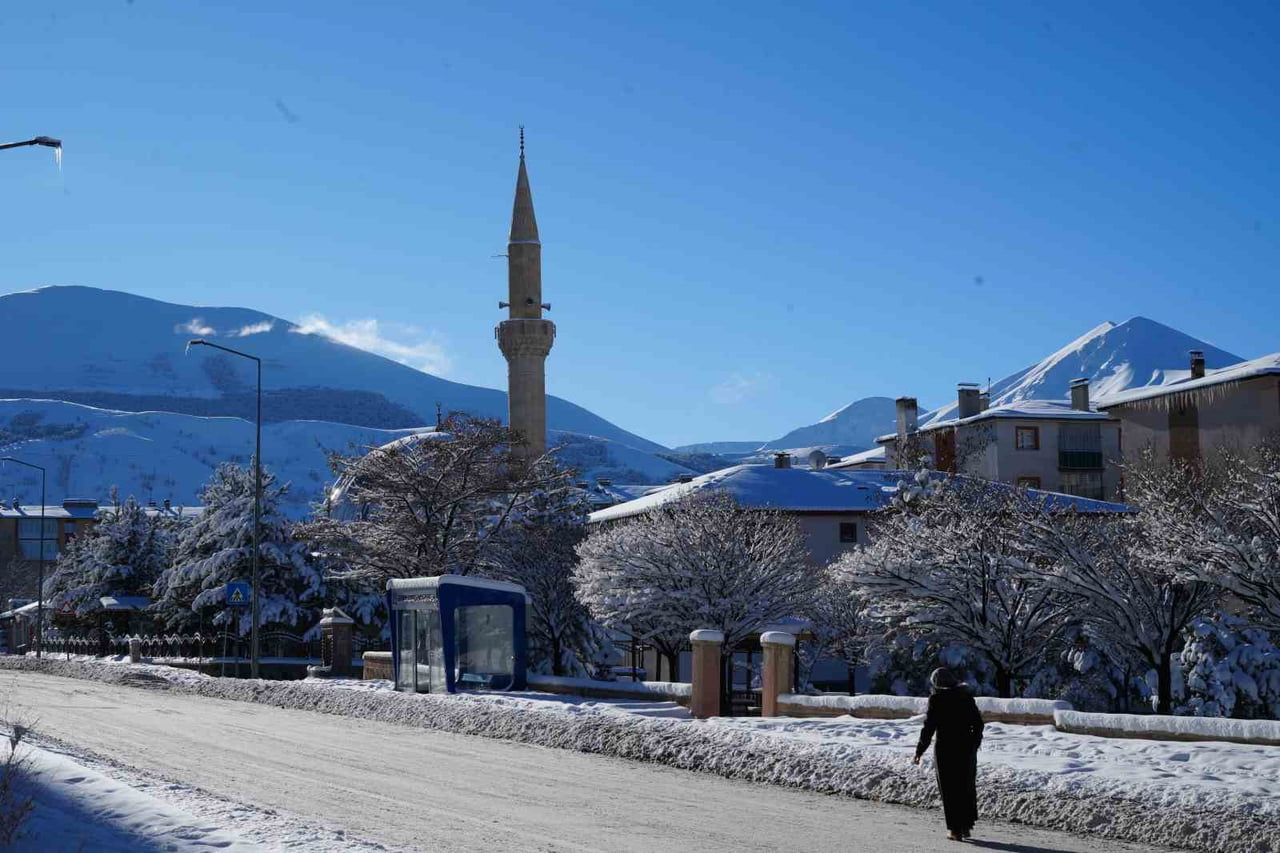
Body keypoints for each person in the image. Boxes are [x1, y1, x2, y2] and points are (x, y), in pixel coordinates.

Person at [912, 667, 984, 841]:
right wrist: (974, 743)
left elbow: (929, 727)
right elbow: (978, 724)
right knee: (965, 787)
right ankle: (966, 826)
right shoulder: (966, 697)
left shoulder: (937, 700)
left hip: (945, 749)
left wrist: (920, 750)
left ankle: (955, 829)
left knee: (949, 789)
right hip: (966, 749)